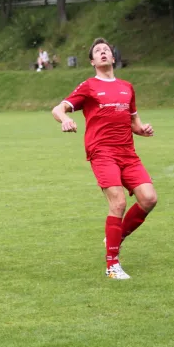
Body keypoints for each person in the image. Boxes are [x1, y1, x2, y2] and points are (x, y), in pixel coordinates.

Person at [51, 38, 158, 280]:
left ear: (112, 58)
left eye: (106, 50)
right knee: (118, 203)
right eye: (97, 51)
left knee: (149, 199)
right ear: (92, 61)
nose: (102, 53)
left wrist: (144, 130)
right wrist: (66, 119)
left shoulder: (127, 87)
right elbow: (58, 108)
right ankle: (112, 266)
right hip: (102, 152)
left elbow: (134, 124)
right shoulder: (89, 86)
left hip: (128, 153)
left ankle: (115, 236)